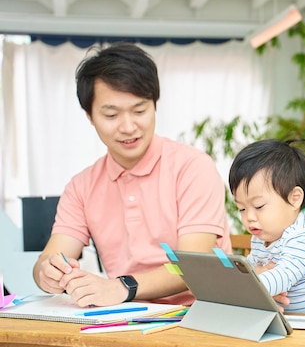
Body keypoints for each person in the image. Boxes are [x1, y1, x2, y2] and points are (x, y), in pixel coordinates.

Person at [32, 42, 231, 307]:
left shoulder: (193, 167)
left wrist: (122, 287)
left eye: (139, 111)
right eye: (111, 115)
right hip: (127, 319)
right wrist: (48, 272)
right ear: (89, 116)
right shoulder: (81, 187)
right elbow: (50, 257)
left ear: (154, 105)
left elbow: (193, 265)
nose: (128, 127)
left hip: (205, 314)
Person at [229, 139, 305, 314]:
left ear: (295, 198)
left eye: (259, 206)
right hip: (298, 321)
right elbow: (251, 267)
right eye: (241, 208)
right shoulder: (261, 237)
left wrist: (239, 289)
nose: (249, 217)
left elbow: (283, 276)